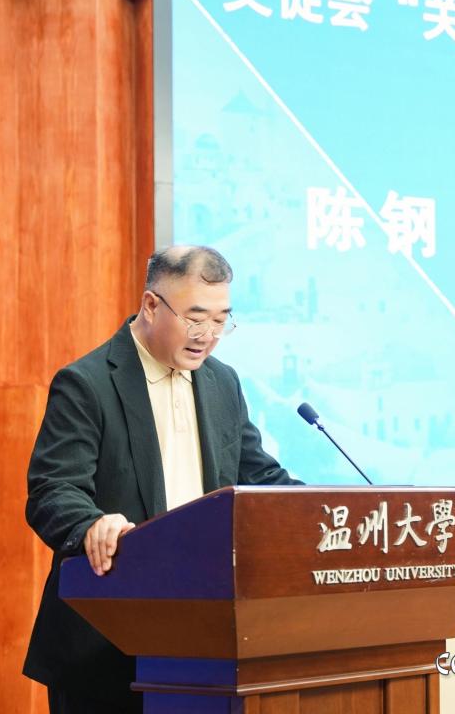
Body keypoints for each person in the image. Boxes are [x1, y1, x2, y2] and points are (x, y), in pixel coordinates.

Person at [23, 246, 303, 713]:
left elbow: (260, 477)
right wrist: (90, 525)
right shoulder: (87, 383)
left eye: (221, 320)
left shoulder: (222, 383)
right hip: (107, 643)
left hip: (207, 639)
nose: (208, 335)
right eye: (196, 318)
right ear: (151, 305)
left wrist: (323, 512)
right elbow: (53, 489)